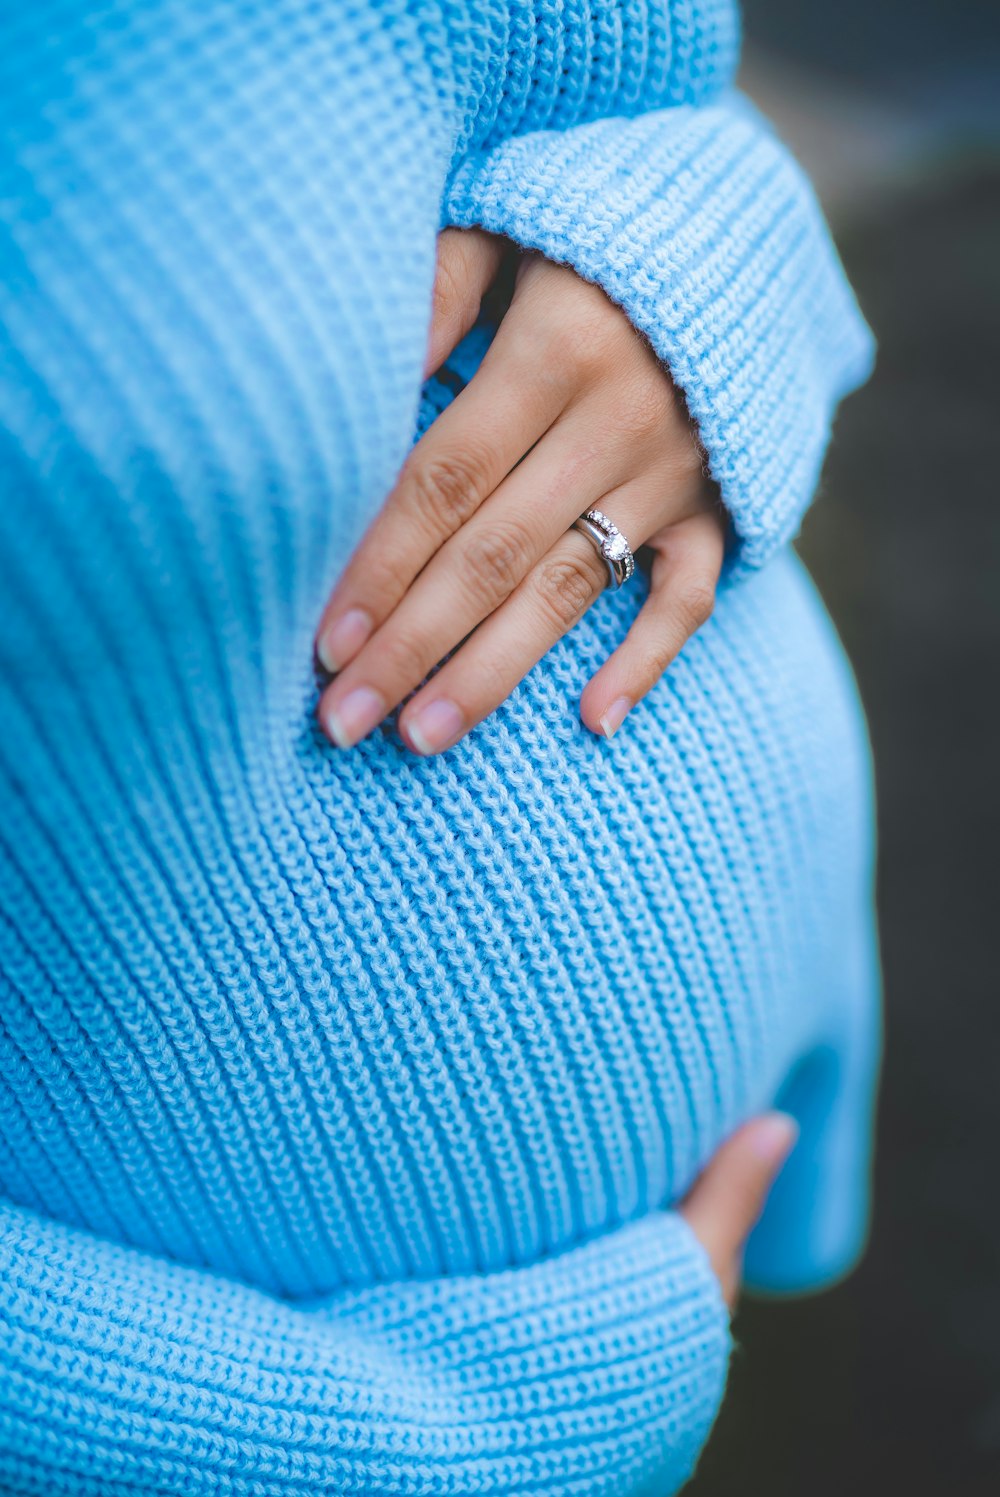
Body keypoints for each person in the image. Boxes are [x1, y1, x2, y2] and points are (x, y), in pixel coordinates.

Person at [0, 2, 879, 1493]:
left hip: (764, 1090)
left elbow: (645, 89)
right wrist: (414, 1449)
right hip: (335, 1376)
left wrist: (686, 261)